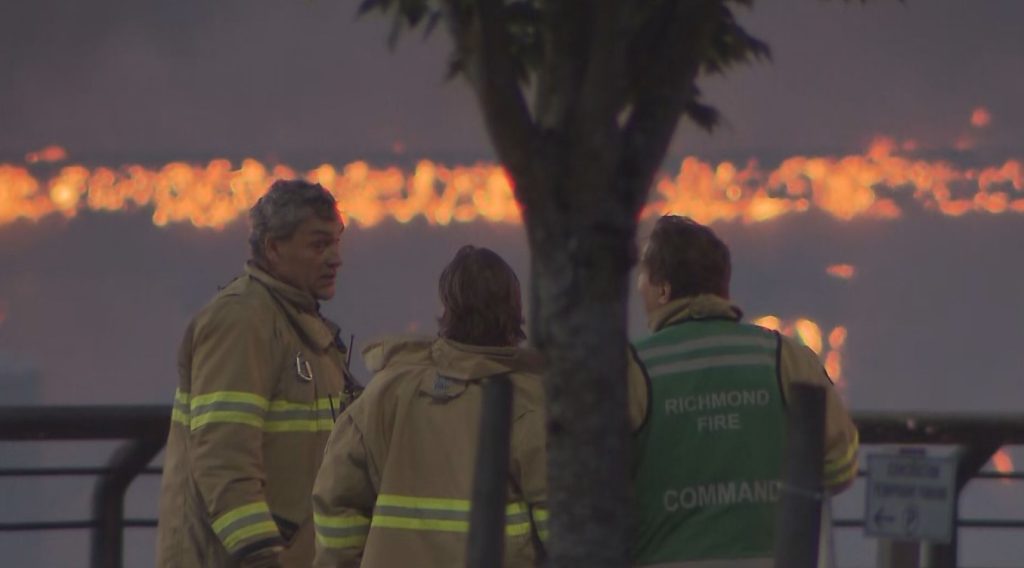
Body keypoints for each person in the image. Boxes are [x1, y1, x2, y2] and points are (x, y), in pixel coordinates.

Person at [630, 215, 859, 567]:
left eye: (642, 279)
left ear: (662, 289)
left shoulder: (632, 368)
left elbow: (595, 482)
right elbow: (841, 466)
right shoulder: (788, 359)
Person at [157, 179, 361, 568]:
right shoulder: (242, 321)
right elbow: (223, 458)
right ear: (273, 248)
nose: (336, 258)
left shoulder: (298, 326)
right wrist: (260, 555)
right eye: (319, 244)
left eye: (336, 242)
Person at [312, 245, 548, 567]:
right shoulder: (533, 404)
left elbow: (337, 497)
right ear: (514, 311)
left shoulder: (387, 392)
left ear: (447, 309)